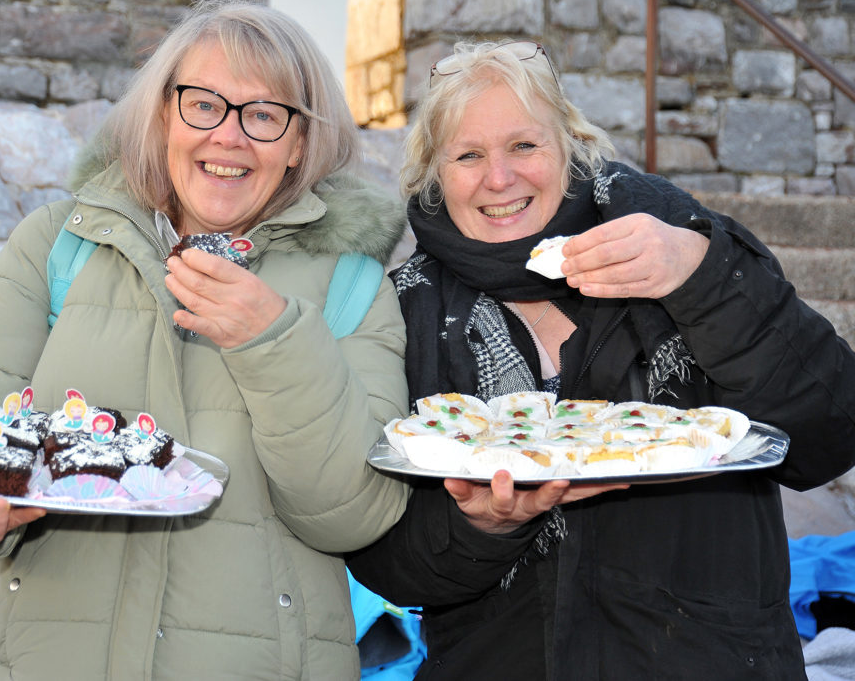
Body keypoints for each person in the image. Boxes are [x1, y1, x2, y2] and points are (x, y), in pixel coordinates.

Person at [0, 0, 413, 680]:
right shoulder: (56, 246)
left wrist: (273, 338)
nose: (229, 136)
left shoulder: (353, 288)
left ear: (299, 143)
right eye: (204, 104)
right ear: (165, 113)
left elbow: (354, 515)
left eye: (264, 115)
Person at [346, 39, 855, 680]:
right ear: (434, 172)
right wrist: (482, 528)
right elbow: (383, 558)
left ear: (570, 144)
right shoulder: (407, 309)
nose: (499, 178)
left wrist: (702, 279)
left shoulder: (678, 236)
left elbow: (829, 434)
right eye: (469, 155)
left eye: (524, 146)